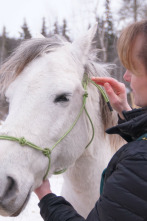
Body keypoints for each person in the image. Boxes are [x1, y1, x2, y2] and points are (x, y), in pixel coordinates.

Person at [34, 20, 147, 221]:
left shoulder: (138, 161)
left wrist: (46, 197)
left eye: (133, 68)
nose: (126, 77)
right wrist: (126, 113)